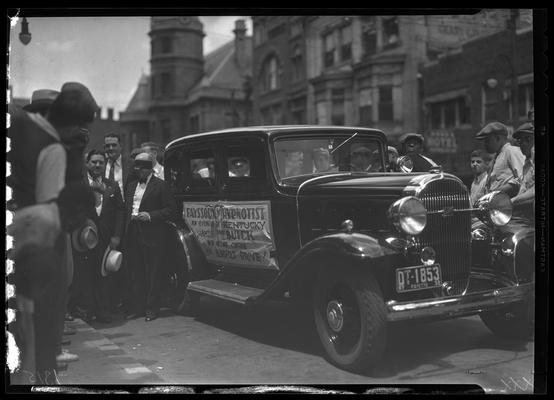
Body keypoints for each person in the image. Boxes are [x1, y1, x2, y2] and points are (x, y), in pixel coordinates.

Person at [70, 150, 124, 323]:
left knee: (103, 275)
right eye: (94, 162)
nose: (97, 165)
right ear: (87, 164)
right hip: (84, 238)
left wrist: (116, 236)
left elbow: (120, 211)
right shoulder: (79, 184)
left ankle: (103, 311)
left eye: (101, 162)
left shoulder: (112, 185)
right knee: (83, 274)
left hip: (106, 239)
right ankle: (84, 310)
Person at [124, 153, 177, 322]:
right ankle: (138, 307)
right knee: (136, 272)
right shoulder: (131, 186)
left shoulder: (161, 186)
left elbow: (171, 210)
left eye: (141, 168)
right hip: (133, 232)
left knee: (153, 272)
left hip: (153, 234)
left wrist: (151, 215)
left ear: (149, 169)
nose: (138, 171)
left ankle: (152, 308)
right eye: (136, 168)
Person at [475, 122, 525, 198]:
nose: (485, 144)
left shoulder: (511, 151)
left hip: (511, 205)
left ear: (497, 138)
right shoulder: (496, 158)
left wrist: (495, 193)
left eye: (487, 140)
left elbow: (522, 180)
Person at [510, 122, 535, 229]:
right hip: (526, 216)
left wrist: (512, 201)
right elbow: (523, 189)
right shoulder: (526, 163)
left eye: (528, 139)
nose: (523, 143)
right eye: (520, 141)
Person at [104, 132, 129, 201]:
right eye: (108, 146)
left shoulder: (130, 164)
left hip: (124, 208)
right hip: (104, 208)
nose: (111, 148)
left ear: (121, 146)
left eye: (114, 145)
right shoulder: (100, 164)